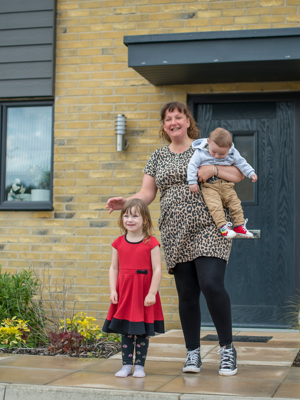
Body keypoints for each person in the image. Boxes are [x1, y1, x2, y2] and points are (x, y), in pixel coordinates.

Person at [106, 101, 243, 376]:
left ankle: (227, 349)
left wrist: (213, 170)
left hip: (210, 227)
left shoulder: (206, 146)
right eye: (168, 119)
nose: (173, 122)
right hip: (174, 231)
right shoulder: (157, 156)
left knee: (212, 284)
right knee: (187, 293)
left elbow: (237, 173)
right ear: (164, 125)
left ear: (187, 121)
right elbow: (147, 193)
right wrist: (126, 202)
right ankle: (193, 352)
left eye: (178, 117)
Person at [102, 198, 164, 378]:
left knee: (141, 331)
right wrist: (113, 290)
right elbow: (114, 268)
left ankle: (139, 366)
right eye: (126, 215)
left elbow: (157, 269)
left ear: (144, 220)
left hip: (144, 294)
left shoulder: (151, 243)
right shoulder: (118, 243)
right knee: (126, 330)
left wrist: (152, 292)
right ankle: (126, 365)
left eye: (135, 216)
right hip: (125, 293)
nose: (130, 219)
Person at [187, 127, 258, 239]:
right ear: (208, 142)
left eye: (221, 154)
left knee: (235, 204)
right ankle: (223, 227)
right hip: (209, 186)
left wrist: (251, 173)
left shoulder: (233, 153)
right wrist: (192, 182)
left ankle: (239, 226)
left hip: (227, 186)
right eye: (214, 152)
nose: (216, 156)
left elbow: (241, 163)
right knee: (215, 206)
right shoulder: (200, 152)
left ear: (229, 148)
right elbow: (192, 166)